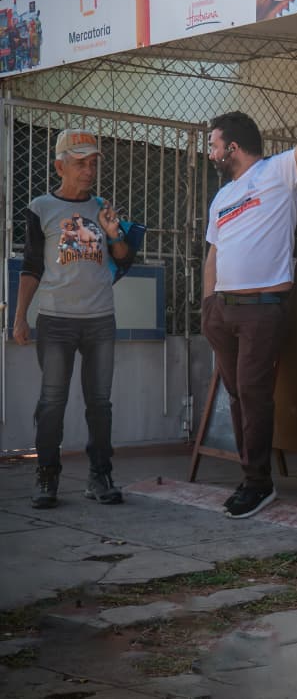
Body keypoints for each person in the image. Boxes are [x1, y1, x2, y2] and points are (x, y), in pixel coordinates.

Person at [202, 89, 297, 519]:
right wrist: (208, 305)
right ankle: (252, 476)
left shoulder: (278, 171)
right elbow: (213, 253)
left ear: (234, 147)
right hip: (222, 311)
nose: (210, 152)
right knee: (238, 396)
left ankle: (258, 484)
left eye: (213, 144)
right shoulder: (222, 197)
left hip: (263, 308)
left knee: (254, 393)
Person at [14, 128, 138, 509]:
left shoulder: (102, 206)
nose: (88, 171)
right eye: (80, 163)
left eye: (93, 163)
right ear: (59, 166)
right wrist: (20, 317)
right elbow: (32, 266)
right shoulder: (41, 208)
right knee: (52, 402)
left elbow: (123, 260)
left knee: (100, 403)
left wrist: (113, 232)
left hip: (100, 319)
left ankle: (100, 475)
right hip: (56, 320)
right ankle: (47, 476)